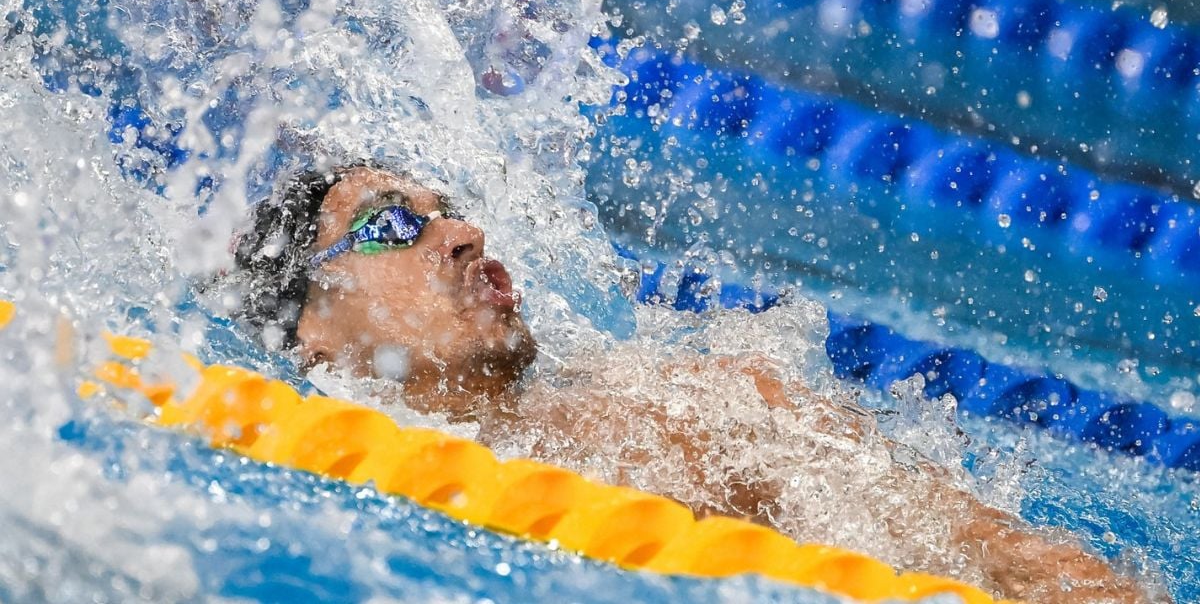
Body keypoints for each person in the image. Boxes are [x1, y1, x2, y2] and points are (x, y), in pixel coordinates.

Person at [229, 162, 1153, 604]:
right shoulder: (299, 491)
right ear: (314, 335)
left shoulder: (704, 408)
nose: (465, 234)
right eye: (393, 226)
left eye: (452, 210)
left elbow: (998, 549)